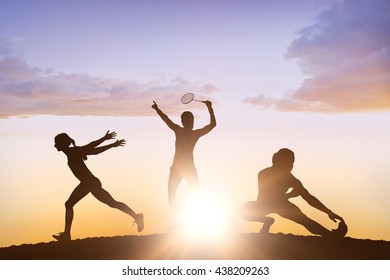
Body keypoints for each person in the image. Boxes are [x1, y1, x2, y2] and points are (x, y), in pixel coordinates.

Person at [53, 131, 144, 241]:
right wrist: (106, 139)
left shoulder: (73, 152)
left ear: (62, 143)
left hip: (89, 183)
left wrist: (109, 143)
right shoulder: (72, 152)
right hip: (91, 183)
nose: (55, 145)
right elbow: (91, 147)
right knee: (112, 203)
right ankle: (137, 216)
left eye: (56, 143)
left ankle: (67, 235)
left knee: (69, 204)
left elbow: (94, 150)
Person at [241, 148, 347, 237]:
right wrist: (290, 195)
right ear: (276, 161)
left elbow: (309, 198)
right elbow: (268, 197)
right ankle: (267, 221)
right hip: (263, 205)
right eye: (287, 162)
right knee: (244, 211)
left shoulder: (291, 180)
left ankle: (330, 235)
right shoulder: (264, 174)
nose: (290, 165)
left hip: (282, 206)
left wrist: (328, 212)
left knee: (304, 221)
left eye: (292, 162)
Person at [151, 100, 216, 216]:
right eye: (191, 120)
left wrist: (157, 110)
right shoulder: (194, 133)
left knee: (173, 194)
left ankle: (182, 219)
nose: (192, 122)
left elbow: (166, 120)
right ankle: (190, 218)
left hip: (177, 168)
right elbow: (213, 125)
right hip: (187, 169)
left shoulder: (179, 131)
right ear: (188, 122)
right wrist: (210, 108)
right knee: (194, 193)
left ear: (182, 121)